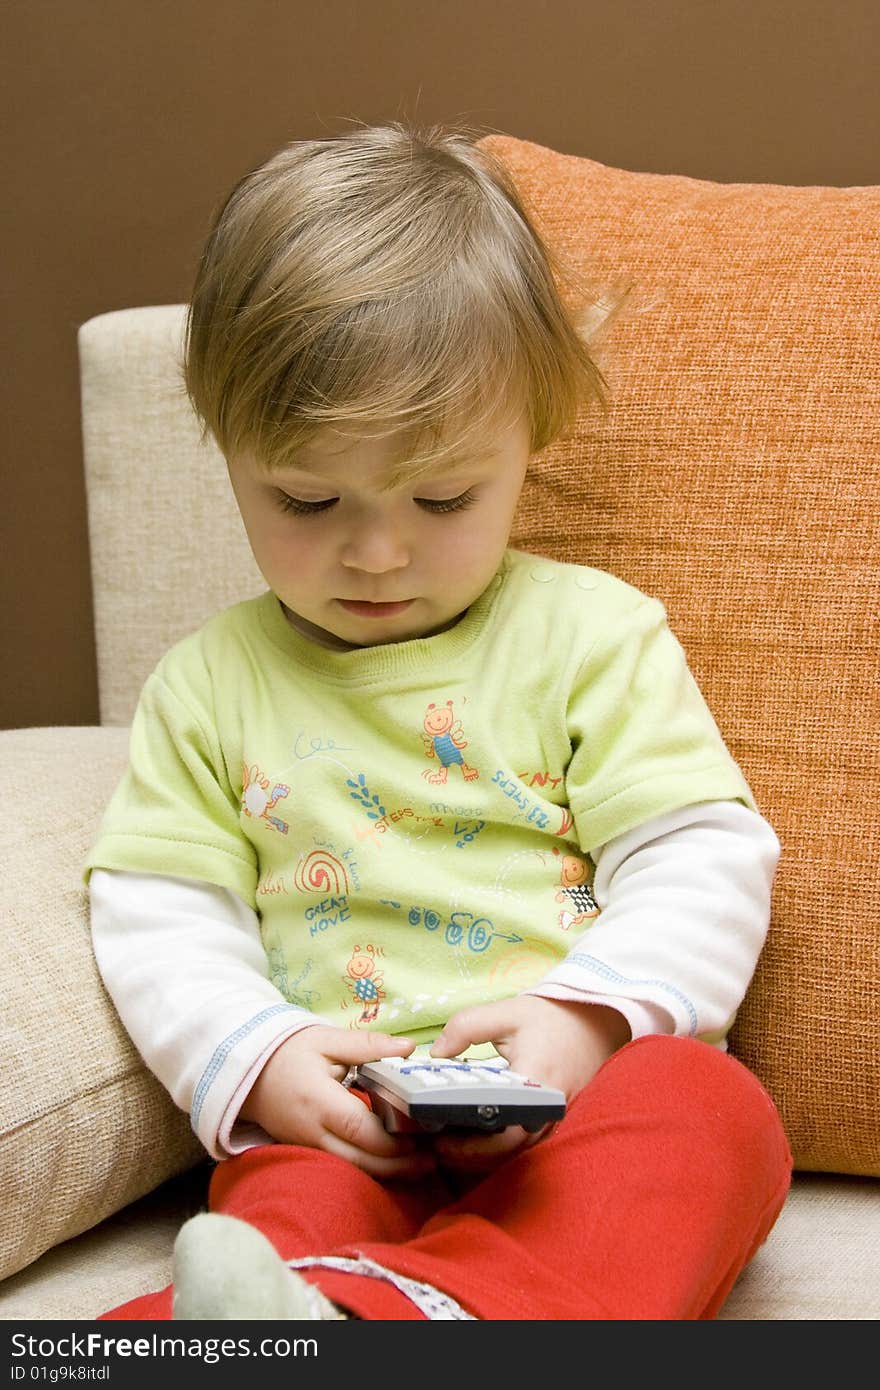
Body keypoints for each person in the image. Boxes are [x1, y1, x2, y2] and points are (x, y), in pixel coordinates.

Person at [85, 121, 791, 1322]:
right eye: (306, 497)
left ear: (533, 437)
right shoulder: (208, 685)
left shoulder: (592, 638)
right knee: (273, 1203)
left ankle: (408, 1314)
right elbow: (159, 913)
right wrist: (261, 1057)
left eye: (444, 495)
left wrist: (582, 1018)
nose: (375, 551)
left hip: (567, 1114)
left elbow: (702, 855)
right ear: (224, 445)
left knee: (713, 1110)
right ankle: (306, 1314)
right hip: (343, 1129)